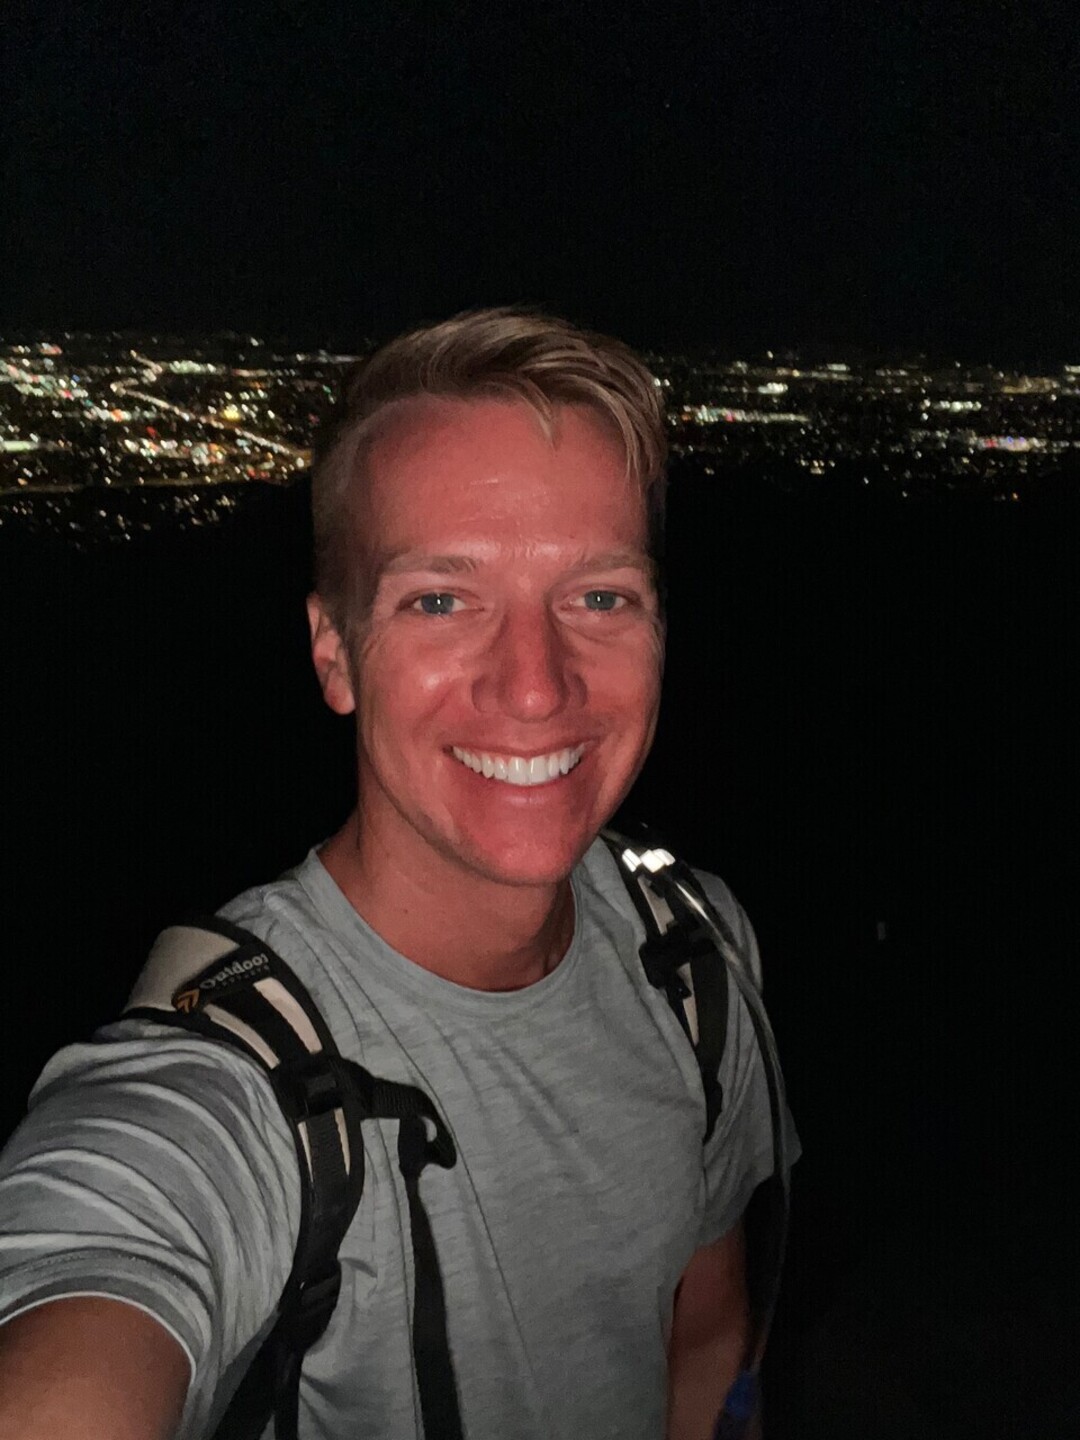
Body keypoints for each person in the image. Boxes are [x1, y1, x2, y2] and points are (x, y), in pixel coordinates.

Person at [0, 308, 793, 1440]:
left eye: (599, 596)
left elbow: (705, 1334)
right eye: (441, 600)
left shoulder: (696, 956)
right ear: (335, 653)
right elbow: (98, 1276)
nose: (535, 685)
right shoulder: (235, 1085)